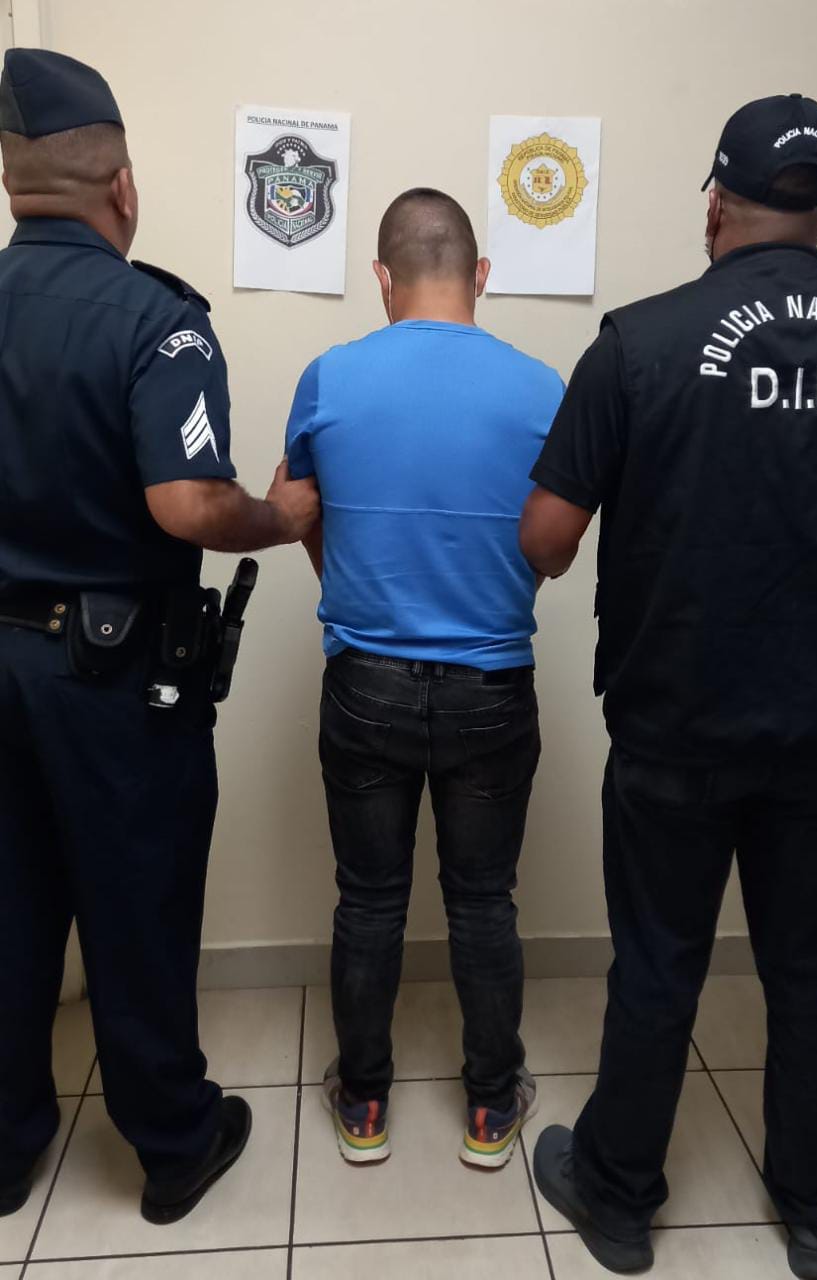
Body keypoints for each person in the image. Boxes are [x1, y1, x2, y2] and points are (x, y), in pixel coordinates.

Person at [521, 95, 817, 1280]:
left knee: (660, 960)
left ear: (716, 203)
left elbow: (545, 539)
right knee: (814, 967)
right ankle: (816, 1210)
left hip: (677, 720)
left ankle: (620, 1195)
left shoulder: (639, 341)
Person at [0, 49, 319, 1224]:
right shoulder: (156, 321)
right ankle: (175, 1142)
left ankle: (4, 1143)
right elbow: (188, 504)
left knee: (9, 904)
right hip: (110, 674)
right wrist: (279, 518)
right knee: (136, 901)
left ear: (12, 181)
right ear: (123, 187)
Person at [285, 188, 563, 1169]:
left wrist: (355, 592)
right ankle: (490, 1107)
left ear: (382, 277)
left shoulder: (329, 377)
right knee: (484, 900)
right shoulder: (543, 389)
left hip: (366, 681)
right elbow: (554, 543)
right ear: (479, 273)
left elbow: (302, 513)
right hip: (492, 684)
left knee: (369, 899)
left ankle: (363, 1102)